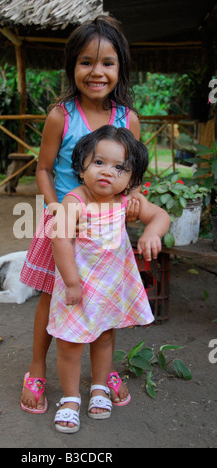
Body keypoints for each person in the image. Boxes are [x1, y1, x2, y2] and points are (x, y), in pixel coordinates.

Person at [20, 15, 141, 414]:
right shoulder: (61, 115)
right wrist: (54, 205)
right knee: (52, 296)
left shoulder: (128, 119)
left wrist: (136, 198)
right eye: (86, 62)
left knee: (103, 296)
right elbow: (42, 167)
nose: (96, 72)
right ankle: (37, 368)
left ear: (120, 68)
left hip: (105, 232)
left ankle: (101, 375)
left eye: (107, 62)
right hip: (66, 224)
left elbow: (133, 171)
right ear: (72, 66)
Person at [48, 126, 171, 433]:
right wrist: (72, 282)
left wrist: (151, 232)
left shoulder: (126, 200)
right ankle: (71, 398)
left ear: (132, 179)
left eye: (120, 168)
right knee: (70, 343)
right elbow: (60, 239)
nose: (107, 173)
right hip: (77, 286)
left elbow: (161, 216)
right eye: (98, 162)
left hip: (110, 287)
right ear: (81, 166)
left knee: (104, 337)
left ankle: (100, 387)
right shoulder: (74, 202)